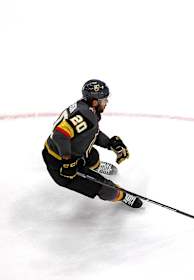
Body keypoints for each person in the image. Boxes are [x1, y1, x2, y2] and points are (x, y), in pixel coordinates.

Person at [42, 79, 142, 207]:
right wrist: (67, 161)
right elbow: (60, 135)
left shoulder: (86, 109)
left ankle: (96, 166)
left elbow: (89, 133)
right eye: (104, 99)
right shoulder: (85, 114)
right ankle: (122, 195)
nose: (106, 102)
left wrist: (110, 143)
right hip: (60, 165)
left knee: (93, 156)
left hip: (70, 153)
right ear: (95, 101)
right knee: (104, 188)